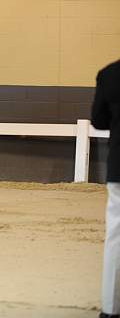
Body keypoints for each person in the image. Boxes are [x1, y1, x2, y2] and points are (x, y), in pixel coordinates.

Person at [92, 59, 120, 318]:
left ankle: (111, 309)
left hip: (119, 165)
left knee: (116, 237)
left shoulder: (110, 73)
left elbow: (98, 121)